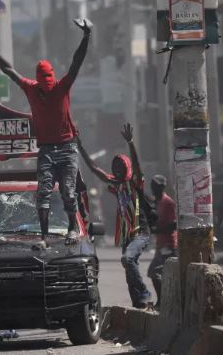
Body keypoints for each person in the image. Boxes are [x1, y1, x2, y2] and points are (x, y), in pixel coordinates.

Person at [0, 18, 91, 247]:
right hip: (46, 149)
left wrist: (86, 36)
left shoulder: (62, 87)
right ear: (38, 80)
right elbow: (8, 69)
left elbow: (76, 62)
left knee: (68, 193)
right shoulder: (30, 88)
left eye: (50, 81)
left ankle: (72, 228)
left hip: (67, 147)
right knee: (42, 194)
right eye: (44, 82)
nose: (48, 85)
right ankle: (44, 237)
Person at [77, 124, 152, 308]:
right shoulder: (115, 184)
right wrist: (80, 147)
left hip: (140, 232)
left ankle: (144, 292)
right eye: (115, 167)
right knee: (128, 268)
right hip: (128, 236)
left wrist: (131, 143)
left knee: (127, 259)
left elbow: (137, 165)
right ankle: (139, 304)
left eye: (120, 167)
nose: (117, 170)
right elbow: (94, 168)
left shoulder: (135, 182)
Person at [146, 175, 177, 309]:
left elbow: (173, 225)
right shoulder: (156, 202)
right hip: (160, 244)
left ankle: (163, 301)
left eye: (155, 185)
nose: (153, 188)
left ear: (162, 187)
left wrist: (156, 230)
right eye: (152, 185)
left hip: (169, 245)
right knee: (157, 273)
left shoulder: (168, 203)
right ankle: (165, 301)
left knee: (155, 272)